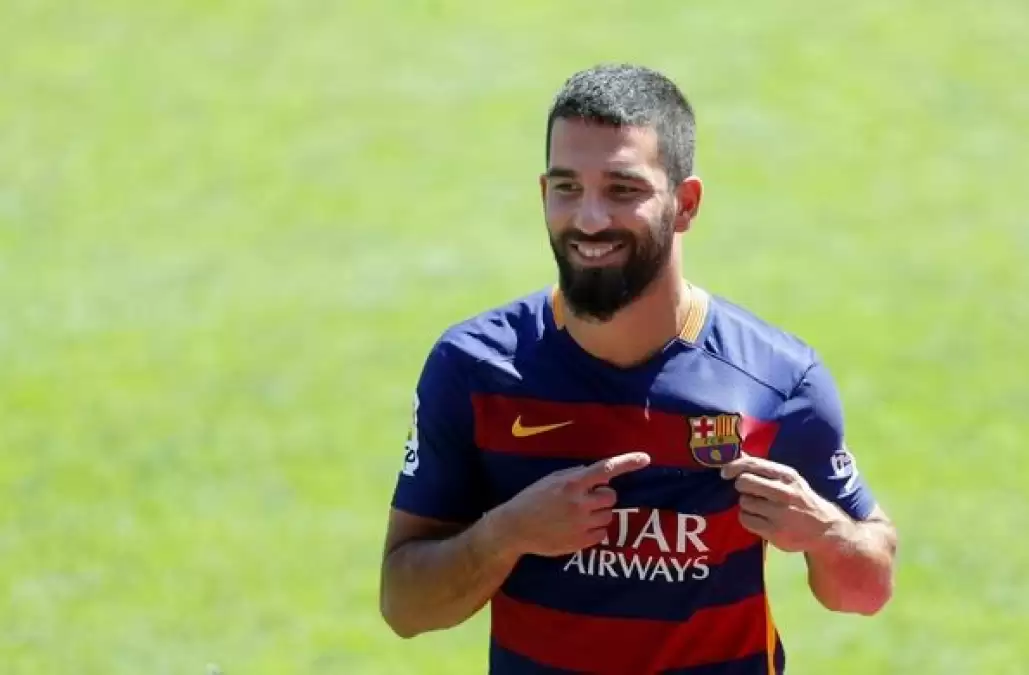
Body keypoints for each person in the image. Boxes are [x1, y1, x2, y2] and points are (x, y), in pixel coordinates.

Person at [378, 63, 897, 674]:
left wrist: (824, 533)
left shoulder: (777, 380)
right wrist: (507, 533)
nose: (589, 219)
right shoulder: (474, 369)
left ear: (686, 204)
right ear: (544, 194)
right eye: (568, 188)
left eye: (622, 190)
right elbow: (404, 606)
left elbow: (866, 589)